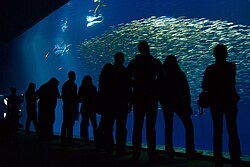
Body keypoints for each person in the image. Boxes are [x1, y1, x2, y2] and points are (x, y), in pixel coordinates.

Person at [202, 44, 241, 167]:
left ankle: (218, 157)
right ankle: (235, 157)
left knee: (217, 130)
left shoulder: (210, 69)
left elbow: (204, 86)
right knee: (232, 129)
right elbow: (231, 83)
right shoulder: (231, 67)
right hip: (230, 102)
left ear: (214, 54)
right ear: (226, 54)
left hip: (216, 103)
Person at [159, 55, 202, 159]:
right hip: (179, 103)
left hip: (166, 104)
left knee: (169, 127)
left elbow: (159, 90)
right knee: (188, 125)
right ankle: (190, 150)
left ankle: (169, 151)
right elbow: (187, 91)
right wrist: (188, 105)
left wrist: (162, 102)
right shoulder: (179, 74)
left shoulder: (162, 75)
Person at [127, 41, 163, 161]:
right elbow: (162, 79)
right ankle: (151, 153)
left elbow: (127, 79)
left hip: (138, 98)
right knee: (150, 126)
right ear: (148, 48)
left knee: (137, 126)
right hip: (151, 98)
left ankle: (135, 153)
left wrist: (136, 85)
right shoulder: (155, 62)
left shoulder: (134, 62)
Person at [111, 52, 131, 156]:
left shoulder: (110, 70)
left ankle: (109, 148)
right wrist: (130, 102)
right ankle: (120, 148)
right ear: (122, 59)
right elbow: (128, 88)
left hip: (111, 102)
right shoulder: (124, 71)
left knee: (110, 125)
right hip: (122, 103)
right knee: (121, 126)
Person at [78, 75, 98, 145]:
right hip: (92, 108)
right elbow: (96, 98)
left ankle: (86, 140)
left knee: (85, 125)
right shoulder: (93, 87)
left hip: (84, 108)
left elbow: (78, 98)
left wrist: (83, 100)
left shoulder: (81, 88)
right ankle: (97, 140)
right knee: (94, 125)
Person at [61, 71, 79, 145]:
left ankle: (63, 139)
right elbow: (74, 97)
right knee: (70, 123)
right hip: (71, 106)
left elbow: (63, 96)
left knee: (65, 122)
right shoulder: (74, 85)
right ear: (74, 76)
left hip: (65, 106)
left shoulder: (64, 85)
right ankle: (69, 139)